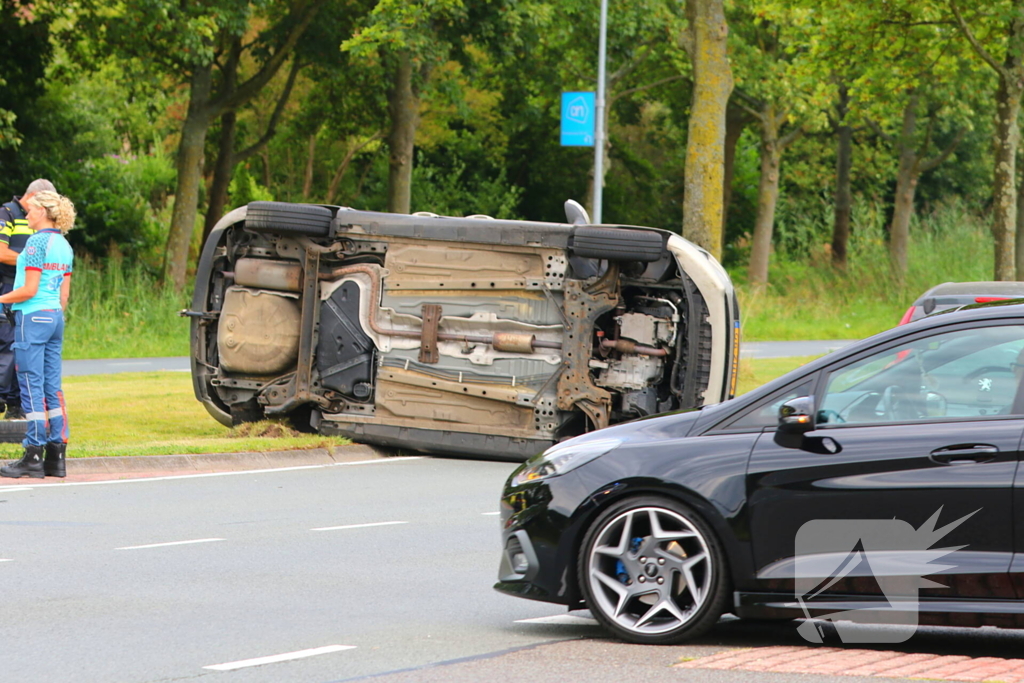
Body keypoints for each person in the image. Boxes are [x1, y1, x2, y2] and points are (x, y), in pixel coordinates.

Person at [0, 191, 74, 478]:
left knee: (31, 386)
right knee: (52, 387)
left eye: (30, 210)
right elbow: (63, 294)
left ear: (43, 211)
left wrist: (2, 300)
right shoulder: (64, 244)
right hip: (55, 316)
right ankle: (57, 455)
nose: (26, 215)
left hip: (32, 316)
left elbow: (29, 290)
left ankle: (32, 454)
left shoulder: (36, 243)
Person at [0, 179, 57, 421]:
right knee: (6, 347)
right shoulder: (7, 213)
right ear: (32, 196)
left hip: (30, 290)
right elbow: (1, 252)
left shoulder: (38, 219)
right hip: (7, 286)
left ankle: (16, 406)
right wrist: (32, 261)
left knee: (20, 347)